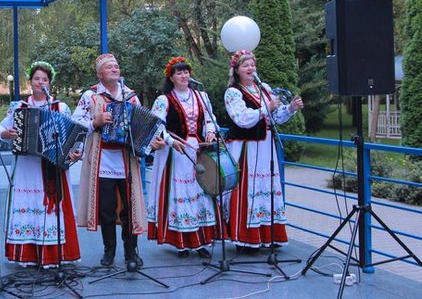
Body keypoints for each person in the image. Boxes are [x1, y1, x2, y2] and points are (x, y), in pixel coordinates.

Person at [0, 61, 82, 267]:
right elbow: (1, 129)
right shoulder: (19, 107)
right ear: (30, 82)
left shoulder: (59, 107)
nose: (40, 82)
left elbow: (72, 133)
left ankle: (54, 254)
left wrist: (75, 151)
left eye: (44, 79)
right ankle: (29, 255)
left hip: (51, 166)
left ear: (49, 83)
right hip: (26, 167)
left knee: (52, 209)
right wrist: (7, 134)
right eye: (37, 79)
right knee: (28, 204)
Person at [223, 50, 303, 252]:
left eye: (252, 64)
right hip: (246, 147)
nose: (250, 68)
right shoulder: (233, 92)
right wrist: (266, 107)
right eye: (245, 65)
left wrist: (290, 108)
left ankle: (269, 235)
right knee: (247, 187)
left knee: (267, 186)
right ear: (237, 70)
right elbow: (242, 119)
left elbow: (275, 118)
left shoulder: (264, 88)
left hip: (266, 144)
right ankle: (246, 238)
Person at [73, 53, 145, 268]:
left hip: (126, 160)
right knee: (106, 208)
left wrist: (149, 141)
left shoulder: (130, 96)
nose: (115, 69)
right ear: (99, 74)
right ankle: (109, 250)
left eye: (116, 66)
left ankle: (131, 252)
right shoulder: (90, 96)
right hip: (102, 160)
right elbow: (75, 124)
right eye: (109, 67)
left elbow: (141, 124)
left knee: (129, 208)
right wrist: (95, 122)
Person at [147, 56, 219, 258]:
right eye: (179, 73)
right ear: (171, 77)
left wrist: (210, 132)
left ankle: (201, 242)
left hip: (198, 151)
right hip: (176, 153)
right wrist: (171, 141)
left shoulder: (201, 96)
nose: (184, 75)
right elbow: (156, 126)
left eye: (186, 72)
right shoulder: (164, 100)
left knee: (200, 191)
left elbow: (210, 119)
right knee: (179, 193)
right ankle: (181, 243)